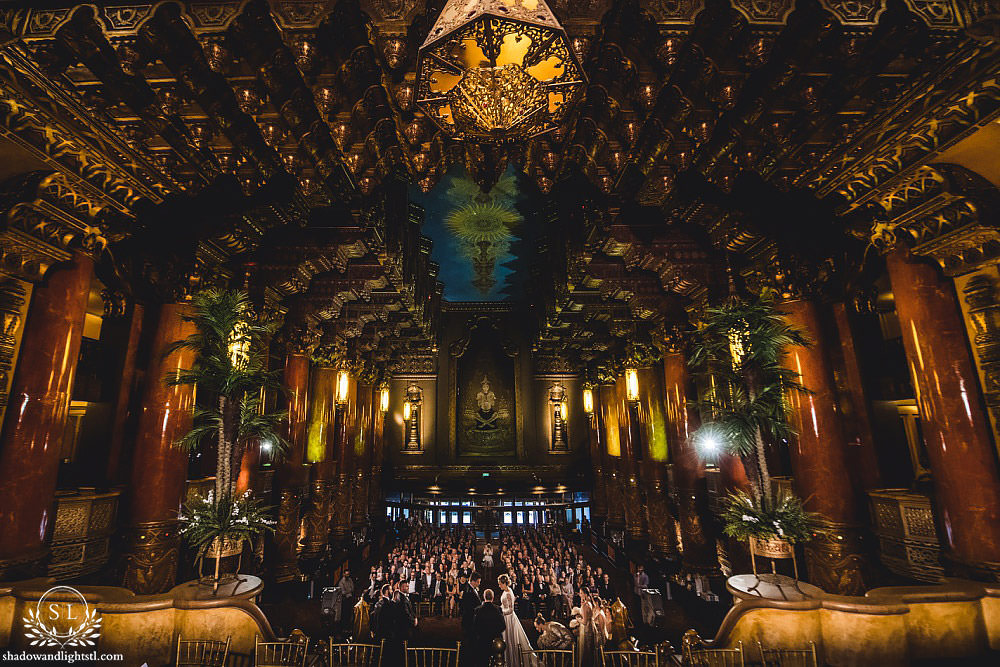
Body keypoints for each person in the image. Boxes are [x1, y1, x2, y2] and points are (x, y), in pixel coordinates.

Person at [499, 574, 538, 667]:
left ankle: (512, 662)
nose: (499, 586)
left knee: (511, 640)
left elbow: (510, 609)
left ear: (505, 583)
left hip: (509, 618)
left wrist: (501, 612)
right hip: (506, 617)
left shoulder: (508, 593)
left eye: (500, 584)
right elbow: (504, 605)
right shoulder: (505, 591)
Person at [474, 589, 507, 666]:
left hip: (482, 641)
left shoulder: (478, 610)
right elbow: (503, 626)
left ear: (483, 597)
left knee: (483, 662)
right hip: (495, 641)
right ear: (493, 597)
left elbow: (475, 627)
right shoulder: (498, 609)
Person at [460, 573, 483, 666]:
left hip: (471, 620)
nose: (479, 584)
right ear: (473, 581)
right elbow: (469, 608)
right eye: (478, 582)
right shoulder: (468, 590)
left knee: (472, 642)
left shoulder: (471, 588)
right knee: (470, 643)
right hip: (470, 621)